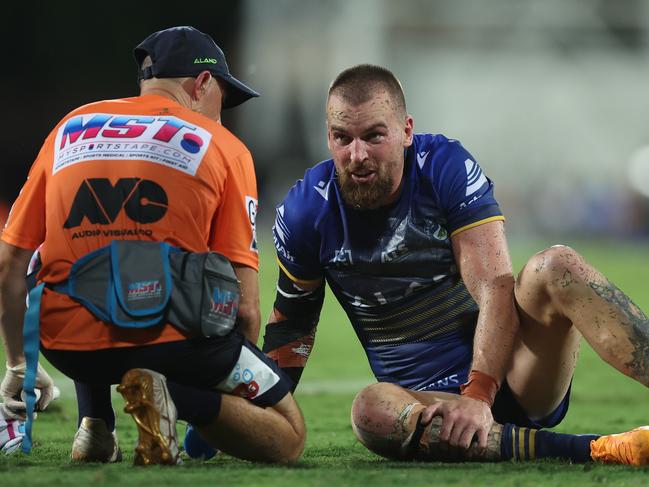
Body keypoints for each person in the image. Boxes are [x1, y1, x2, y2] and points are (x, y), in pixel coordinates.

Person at [262, 64, 649, 466]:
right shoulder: (307, 209)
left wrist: (479, 394)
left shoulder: (444, 166)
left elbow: (495, 287)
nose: (357, 155)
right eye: (343, 138)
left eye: (374, 136)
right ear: (329, 137)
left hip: (513, 375)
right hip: (428, 405)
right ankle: (604, 448)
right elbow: (292, 326)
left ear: (406, 131)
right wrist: (258, 414)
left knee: (556, 265)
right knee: (370, 411)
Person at [0, 26, 305, 465]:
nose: (222, 111)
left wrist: (17, 366)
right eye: (223, 94)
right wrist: (215, 405)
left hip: (69, 346)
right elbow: (245, 306)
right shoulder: (225, 146)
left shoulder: (71, 125)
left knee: (76, 255)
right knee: (290, 435)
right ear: (201, 84)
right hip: (169, 343)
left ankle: (95, 426)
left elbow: (11, 260)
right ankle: (179, 399)